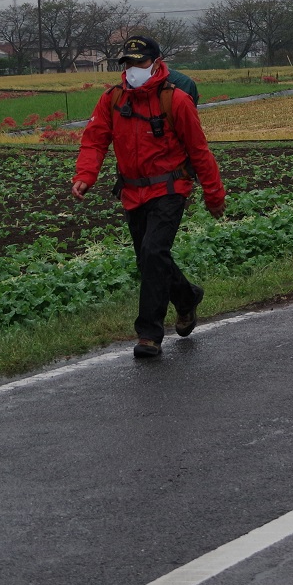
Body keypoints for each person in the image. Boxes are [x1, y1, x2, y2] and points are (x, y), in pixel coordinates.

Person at [73, 36, 226, 359]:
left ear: (156, 62)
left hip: (170, 189)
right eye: (127, 63)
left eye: (140, 62)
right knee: (148, 258)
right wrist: (85, 176)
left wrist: (214, 194)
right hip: (132, 191)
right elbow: (95, 140)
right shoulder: (112, 99)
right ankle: (186, 297)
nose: (133, 69)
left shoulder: (177, 101)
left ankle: (149, 333)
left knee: (154, 251)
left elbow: (199, 152)